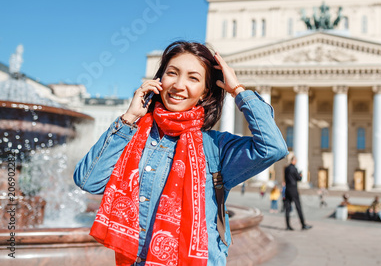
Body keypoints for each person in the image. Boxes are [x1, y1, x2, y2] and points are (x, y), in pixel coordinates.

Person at [73, 41, 288, 266]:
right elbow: (88, 181)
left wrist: (238, 91)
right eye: (172, 73)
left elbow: (273, 147)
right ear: (159, 80)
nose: (178, 85)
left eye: (193, 78)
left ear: (205, 91)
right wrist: (128, 118)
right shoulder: (134, 136)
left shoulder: (216, 148)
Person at [284, 156, 312, 230]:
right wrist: (300, 175)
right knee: (298, 207)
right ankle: (303, 224)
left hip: (287, 189)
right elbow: (298, 179)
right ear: (294, 161)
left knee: (287, 208)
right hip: (293, 189)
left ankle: (288, 225)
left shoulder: (286, 168)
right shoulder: (294, 169)